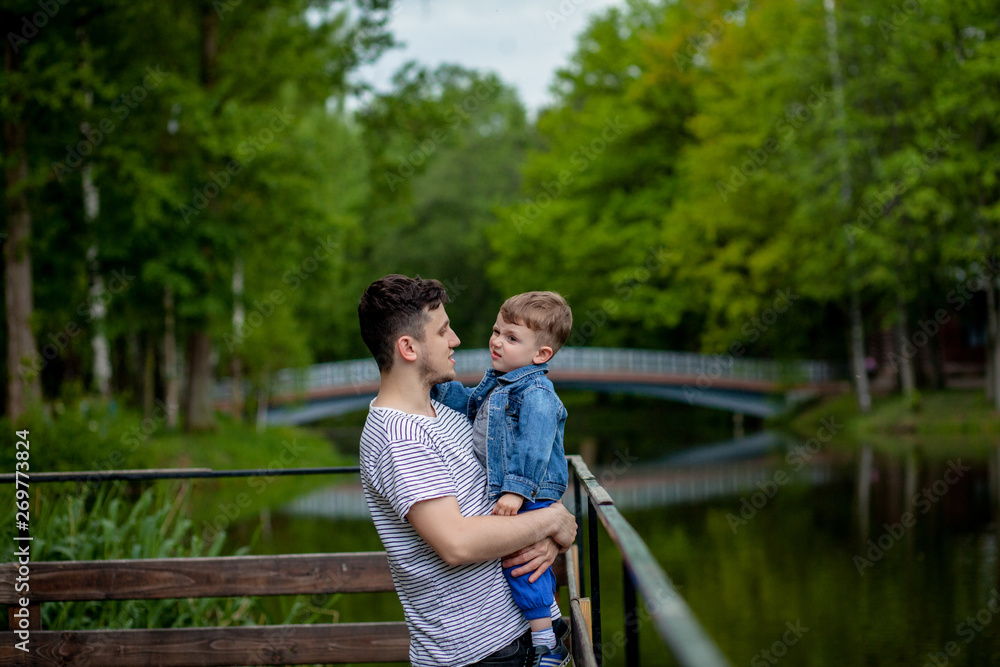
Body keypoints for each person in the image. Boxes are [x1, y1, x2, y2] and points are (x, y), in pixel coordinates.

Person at [357, 275, 577, 667]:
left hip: (525, 636)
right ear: (408, 347)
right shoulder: (399, 438)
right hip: (480, 655)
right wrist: (552, 521)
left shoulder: (447, 414)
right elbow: (457, 543)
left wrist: (549, 536)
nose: (456, 339)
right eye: (442, 331)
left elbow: (513, 492)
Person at [431, 292, 572, 667]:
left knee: (520, 561)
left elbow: (535, 445)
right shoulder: (498, 381)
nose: (496, 341)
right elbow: (469, 405)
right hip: (515, 489)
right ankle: (553, 623)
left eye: (511, 338)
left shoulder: (536, 393)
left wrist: (515, 489)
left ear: (541, 354)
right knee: (523, 558)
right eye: (497, 331)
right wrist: (439, 387)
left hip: (531, 488)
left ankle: (548, 642)